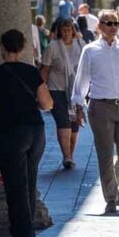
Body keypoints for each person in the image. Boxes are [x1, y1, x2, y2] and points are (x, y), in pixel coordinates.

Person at [0, 29, 52, 237]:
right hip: (36, 130)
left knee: (15, 184)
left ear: (2, 48)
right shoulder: (31, 72)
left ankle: (23, 234)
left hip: (10, 131)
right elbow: (48, 104)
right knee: (30, 180)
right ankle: (26, 227)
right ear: (21, 48)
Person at [71, 11, 119, 214]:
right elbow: (82, 79)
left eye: (116, 23)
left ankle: (111, 186)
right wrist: (78, 106)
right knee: (105, 155)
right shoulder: (90, 50)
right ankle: (111, 199)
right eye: (109, 23)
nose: (113, 26)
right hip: (100, 106)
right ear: (100, 26)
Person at [39, 17, 84, 169]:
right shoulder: (53, 46)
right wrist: (41, 89)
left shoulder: (80, 45)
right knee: (63, 122)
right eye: (63, 30)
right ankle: (66, 156)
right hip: (56, 89)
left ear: (73, 31)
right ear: (59, 32)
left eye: (69, 30)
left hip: (77, 90)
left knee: (75, 124)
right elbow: (44, 69)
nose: (66, 33)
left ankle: (71, 154)